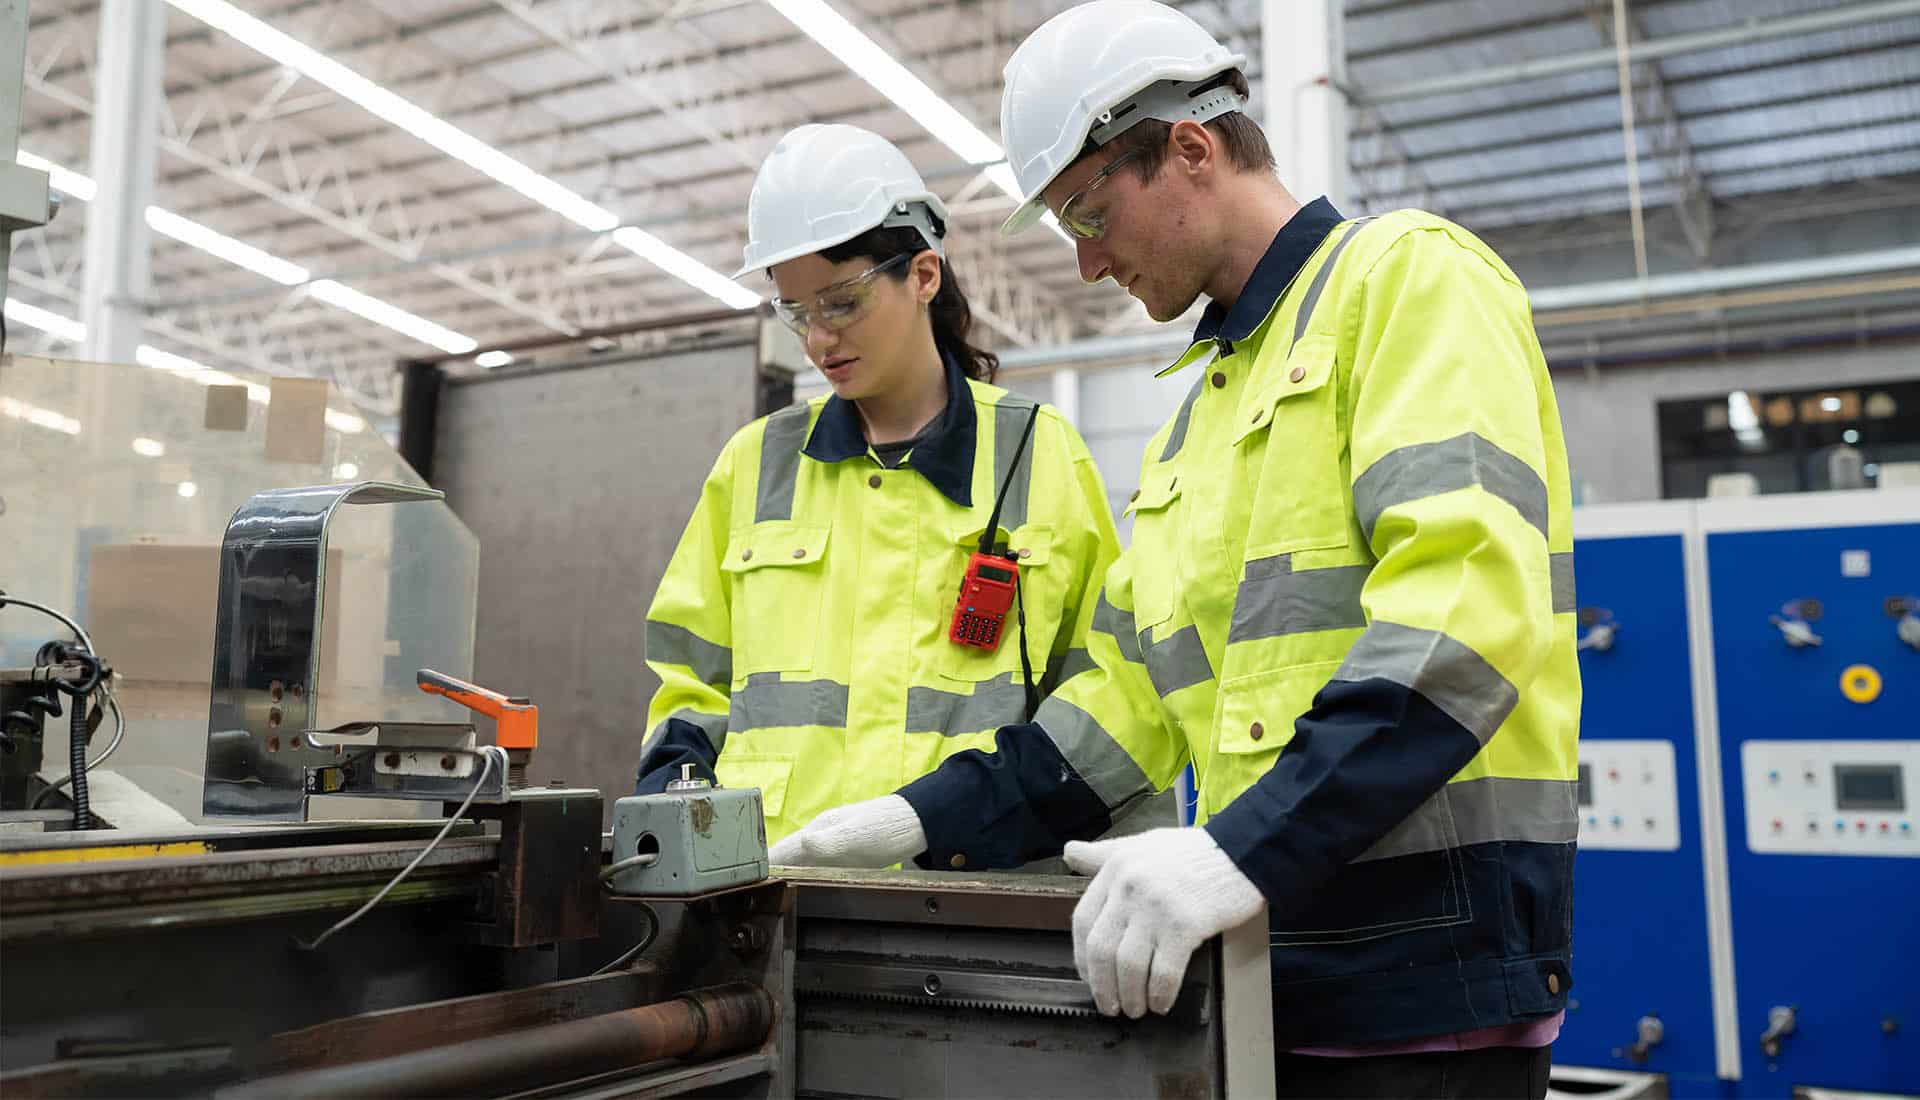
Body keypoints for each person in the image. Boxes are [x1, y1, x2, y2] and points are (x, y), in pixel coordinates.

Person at [767, 5, 1580, 1096]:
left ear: (1191, 147)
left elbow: (1461, 619)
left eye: (1090, 215)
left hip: (1423, 975)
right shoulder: (1198, 421)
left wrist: (1241, 848)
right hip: (1271, 962)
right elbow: (1125, 702)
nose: (1091, 264)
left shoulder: (1407, 282)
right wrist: (921, 815)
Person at [635, 123, 1171, 853]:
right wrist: (678, 819)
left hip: (962, 888)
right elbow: (689, 685)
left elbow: (1105, 685)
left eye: (842, 303)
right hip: (771, 882)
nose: (818, 340)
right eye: (796, 312)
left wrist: (946, 816)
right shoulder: (755, 465)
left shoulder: (1036, 452)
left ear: (922, 275)